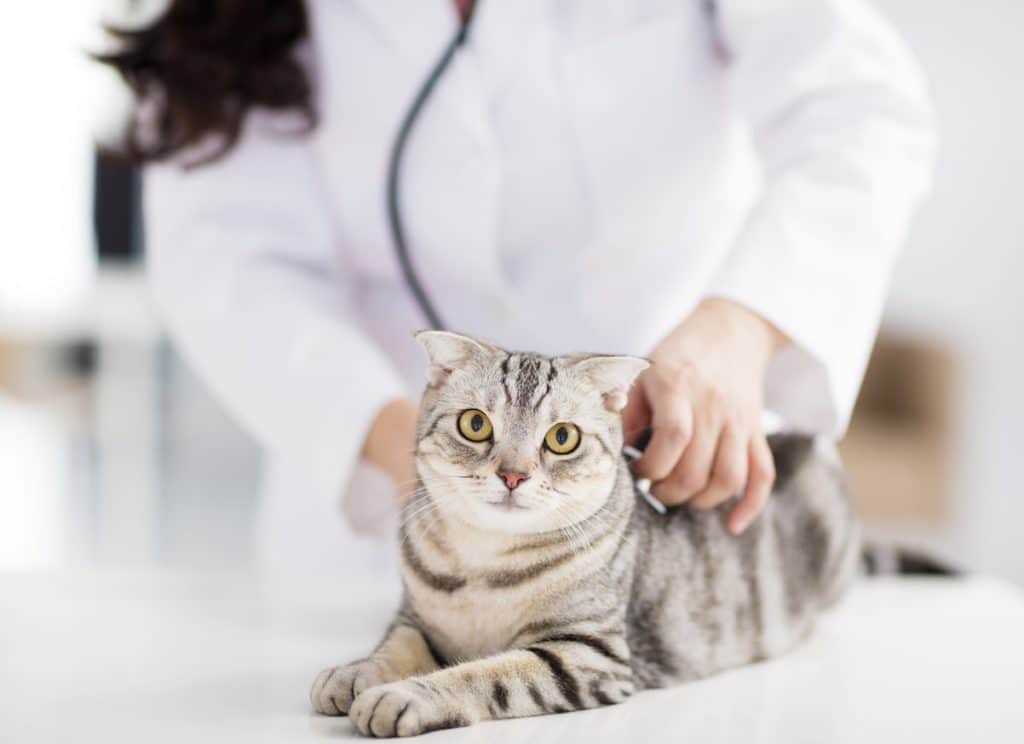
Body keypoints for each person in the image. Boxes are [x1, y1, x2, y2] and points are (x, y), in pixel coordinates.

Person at [100, 0, 936, 574]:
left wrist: (740, 326)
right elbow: (228, 259)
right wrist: (420, 464)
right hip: (375, 535)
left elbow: (861, 114)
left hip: (673, 494)